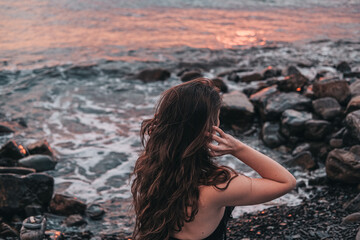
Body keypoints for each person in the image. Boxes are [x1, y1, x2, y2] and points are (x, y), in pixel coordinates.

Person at [131, 78, 296, 240]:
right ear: (209, 127)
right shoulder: (217, 186)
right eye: (217, 117)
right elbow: (286, 182)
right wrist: (238, 148)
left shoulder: (151, 168)